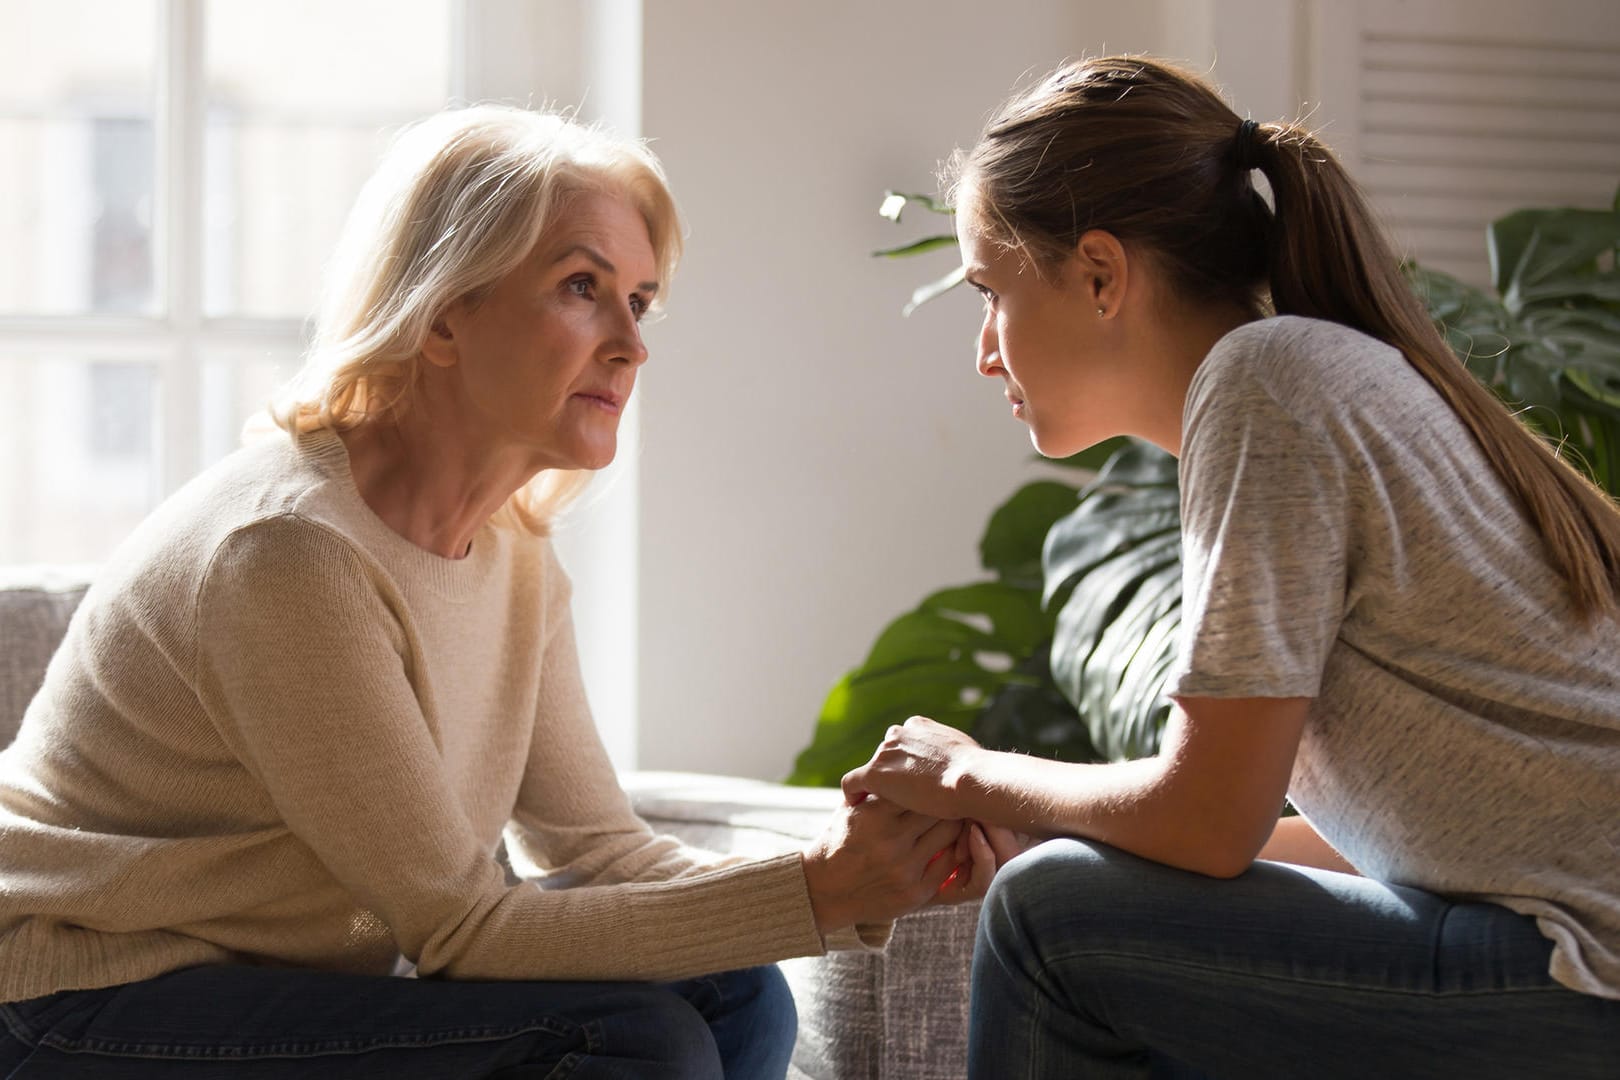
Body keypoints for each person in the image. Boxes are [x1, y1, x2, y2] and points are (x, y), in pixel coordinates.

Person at [0, 105, 999, 1079]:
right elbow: (459, 927)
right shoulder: (288, 553)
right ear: (442, 317)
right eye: (581, 286)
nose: (631, 344)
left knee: (732, 994)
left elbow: (601, 851)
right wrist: (820, 892)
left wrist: (855, 869)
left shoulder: (514, 555)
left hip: (265, 982)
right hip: (72, 997)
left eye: (640, 302)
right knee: (632, 1043)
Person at [842, 55, 1620, 1078]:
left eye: (992, 292)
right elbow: (1372, 842)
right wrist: (1050, 827)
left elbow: (1209, 819)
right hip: (1565, 959)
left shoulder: (1268, 389)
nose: (987, 351)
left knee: (1049, 922)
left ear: (1102, 275)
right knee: (1067, 888)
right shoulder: (1308, 378)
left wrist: (966, 772)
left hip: (1575, 977)